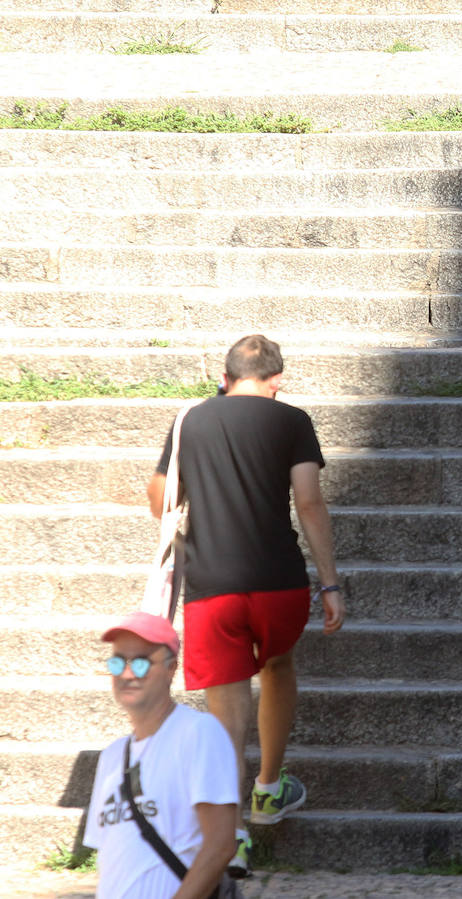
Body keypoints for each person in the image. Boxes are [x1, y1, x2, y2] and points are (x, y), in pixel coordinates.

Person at [146, 334, 346, 878]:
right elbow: (308, 499)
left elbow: (160, 491)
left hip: (212, 585)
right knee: (278, 667)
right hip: (278, 582)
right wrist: (330, 583)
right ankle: (269, 788)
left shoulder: (192, 419)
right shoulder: (292, 421)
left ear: (225, 376)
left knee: (225, 714)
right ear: (277, 380)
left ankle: (231, 839)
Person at [84, 612, 238, 898]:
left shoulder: (199, 732)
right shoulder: (112, 756)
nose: (127, 674)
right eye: (118, 662)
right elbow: (114, 863)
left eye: (141, 663)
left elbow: (221, 846)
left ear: (171, 669)